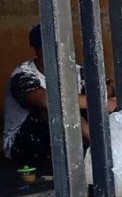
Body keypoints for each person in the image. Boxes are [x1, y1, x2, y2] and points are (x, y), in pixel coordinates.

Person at [3, 24, 114, 175]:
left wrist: (103, 98)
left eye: (59, 48)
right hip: (25, 144)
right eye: (48, 49)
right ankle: (102, 149)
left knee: (90, 105)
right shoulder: (23, 74)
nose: (55, 54)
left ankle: (101, 150)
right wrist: (101, 102)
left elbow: (107, 87)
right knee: (58, 109)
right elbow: (47, 101)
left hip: (67, 143)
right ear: (36, 50)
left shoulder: (76, 71)